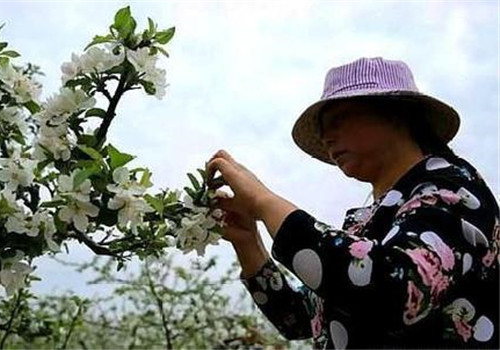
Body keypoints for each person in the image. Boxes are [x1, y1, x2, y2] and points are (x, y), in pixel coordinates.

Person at [205, 57, 499, 349]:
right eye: (323, 129)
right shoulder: (368, 223)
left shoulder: (453, 189)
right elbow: (300, 318)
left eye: (338, 119)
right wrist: (247, 241)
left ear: (397, 113)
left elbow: (397, 292)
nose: (326, 137)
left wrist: (263, 201)